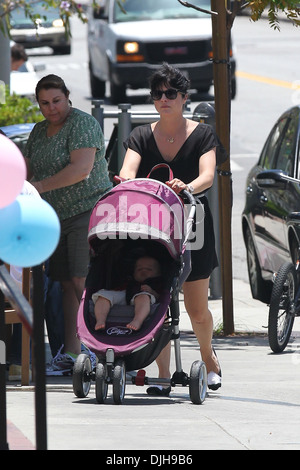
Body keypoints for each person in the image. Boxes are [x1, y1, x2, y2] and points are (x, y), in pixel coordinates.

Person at [119, 63, 221, 395]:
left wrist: (186, 185)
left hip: (193, 225)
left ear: (184, 97)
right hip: (153, 229)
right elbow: (128, 170)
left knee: (196, 308)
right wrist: (127, 182)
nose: (164, 99)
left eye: (171, 93)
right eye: (158, 94)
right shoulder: (140, 134)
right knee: (158, 303)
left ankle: (209, 359)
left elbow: (208, 175)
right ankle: (163, 374)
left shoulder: (203, 134)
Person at [23, 74, 113, 375]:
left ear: (67, 96)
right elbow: (27, 169)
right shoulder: (37, 132)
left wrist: (39, 186)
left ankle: (103, 345)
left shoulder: (82, 124)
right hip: (52, 218)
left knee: (80, 279)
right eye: (44, 103)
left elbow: (81, 170)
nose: (52, 108)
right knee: (63, 284)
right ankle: (73, 352)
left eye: (56, 100)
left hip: (86, 209)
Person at [92, 255, 162, 331]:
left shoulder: (157, 283)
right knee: (103, 295)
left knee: (144, 296)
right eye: (139, 269)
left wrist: (152, 292)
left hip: (143, 297)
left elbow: (161, 297)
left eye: (149, 269)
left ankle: (137, 321)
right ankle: (100, 320)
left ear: (158, 273)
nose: (143, 271)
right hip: (126, 294)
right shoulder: (130, 280)